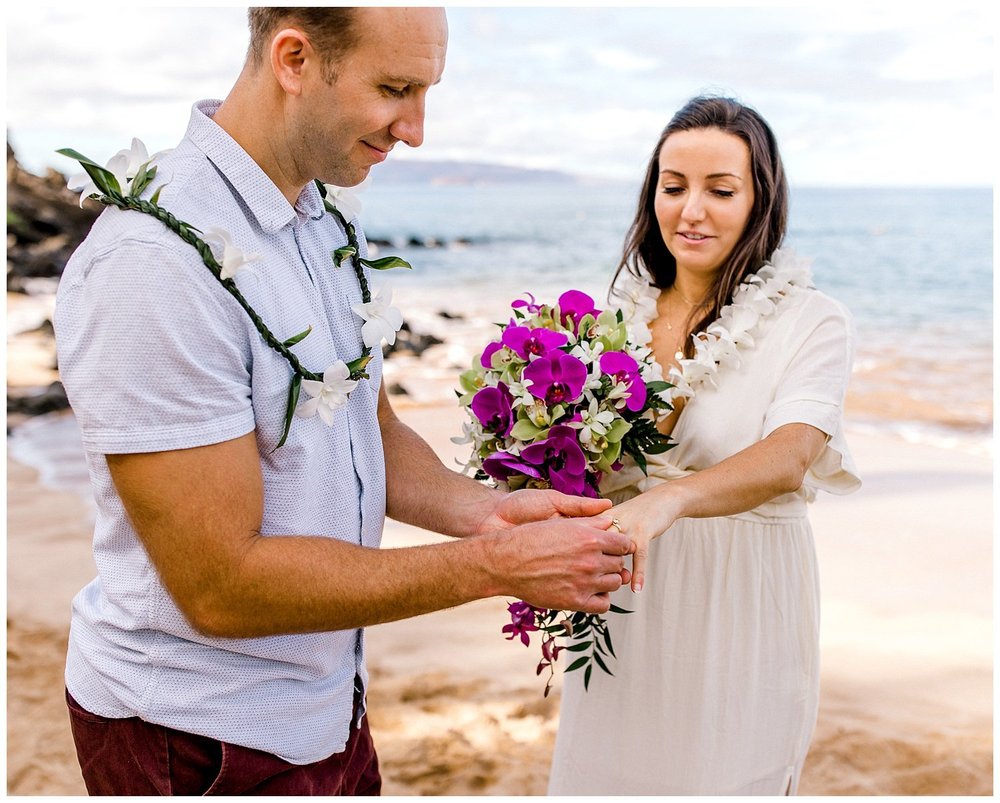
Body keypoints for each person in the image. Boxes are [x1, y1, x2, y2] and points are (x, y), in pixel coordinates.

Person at [54, 7, 633, 796]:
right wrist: (491, 566)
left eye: (425, 92)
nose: (417, 129)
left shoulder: (321, 215)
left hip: (330, 707)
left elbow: (373, 423)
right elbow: (222, 583)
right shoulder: (155, 262)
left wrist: (486, 514)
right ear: (294, 57)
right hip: (198, 737)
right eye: (395, 88)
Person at [547, 95, 861, 795]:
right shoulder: (611, 320)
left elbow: (790, 456)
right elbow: (580, 464)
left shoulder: (813, 321)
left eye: (721, 190)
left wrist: (670, 499)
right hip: (626, 598)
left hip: (742, 599)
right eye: (673, 186)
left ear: (760, 200)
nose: (691, 210)